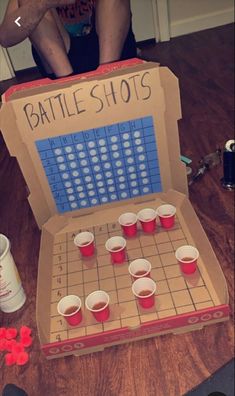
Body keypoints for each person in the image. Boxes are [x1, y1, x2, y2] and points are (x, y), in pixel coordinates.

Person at [0, 0, 137, 79]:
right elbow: (6, 36)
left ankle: (107, 79)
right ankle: (68, 86)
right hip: (64, 66)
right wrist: (42, 4)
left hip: (111, 55)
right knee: (30, 4)